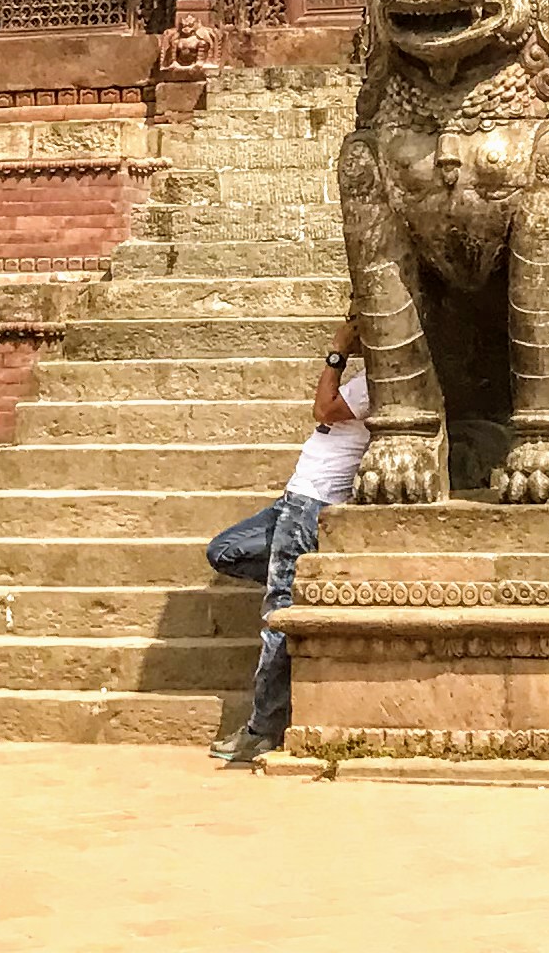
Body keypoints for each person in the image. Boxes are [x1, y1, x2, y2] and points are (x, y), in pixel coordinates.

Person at [205, 324, 369, 766]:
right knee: (224, 551)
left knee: (278, 610)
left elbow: (323, 408)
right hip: (292, 500)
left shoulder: (383, 382)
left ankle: (263, 729)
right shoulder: (371, 376)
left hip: (312, 503)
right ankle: (305, 583)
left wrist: (337, 353)